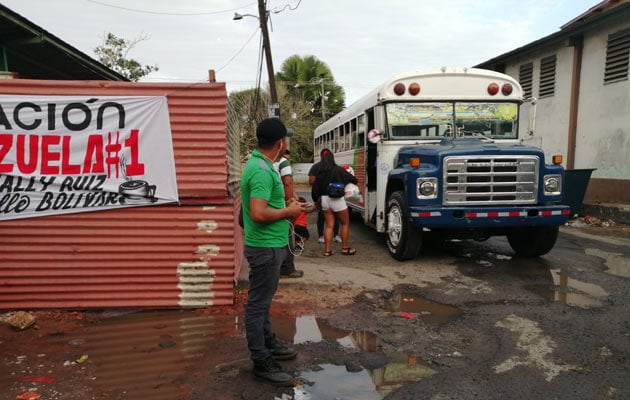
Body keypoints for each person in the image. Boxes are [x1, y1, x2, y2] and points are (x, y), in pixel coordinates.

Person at [241, 117, 307, 386]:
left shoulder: (263, 165)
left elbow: (266, 204)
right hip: (265, 247)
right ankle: (261, 360)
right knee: (257, 305)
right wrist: (289, 211)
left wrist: (291, 206)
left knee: (263, 302)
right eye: (285, 139)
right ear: (280, 143)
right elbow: (257, 212)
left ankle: (268, 343)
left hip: (271, 245)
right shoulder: (260, 170)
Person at [311, 150, 358, 256]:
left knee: (329, 225)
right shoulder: (338, 170)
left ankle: (327, 250)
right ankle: (345, 248)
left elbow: (315, 188)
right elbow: (353, 179)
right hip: (337, 199)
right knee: (345, 223)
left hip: (324, 200)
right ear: (332, 158)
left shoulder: (320, 172)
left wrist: (316, 201)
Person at [274, 149, 304, 279]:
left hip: (269, 203)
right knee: (286, 234)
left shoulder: (259, 161)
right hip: (282, 203)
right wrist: (290, 200)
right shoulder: (283, 162)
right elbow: (287, 182)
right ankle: (286, 269)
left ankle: (277, 268)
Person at [308, 148, 340, 244]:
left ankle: (321, 236)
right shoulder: (335, 167)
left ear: (321, 156)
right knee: (335, 216)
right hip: (334, 194)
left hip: (320, 195)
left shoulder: (316, 167)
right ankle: (335, 235)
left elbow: (311, 181)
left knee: (321, 215)